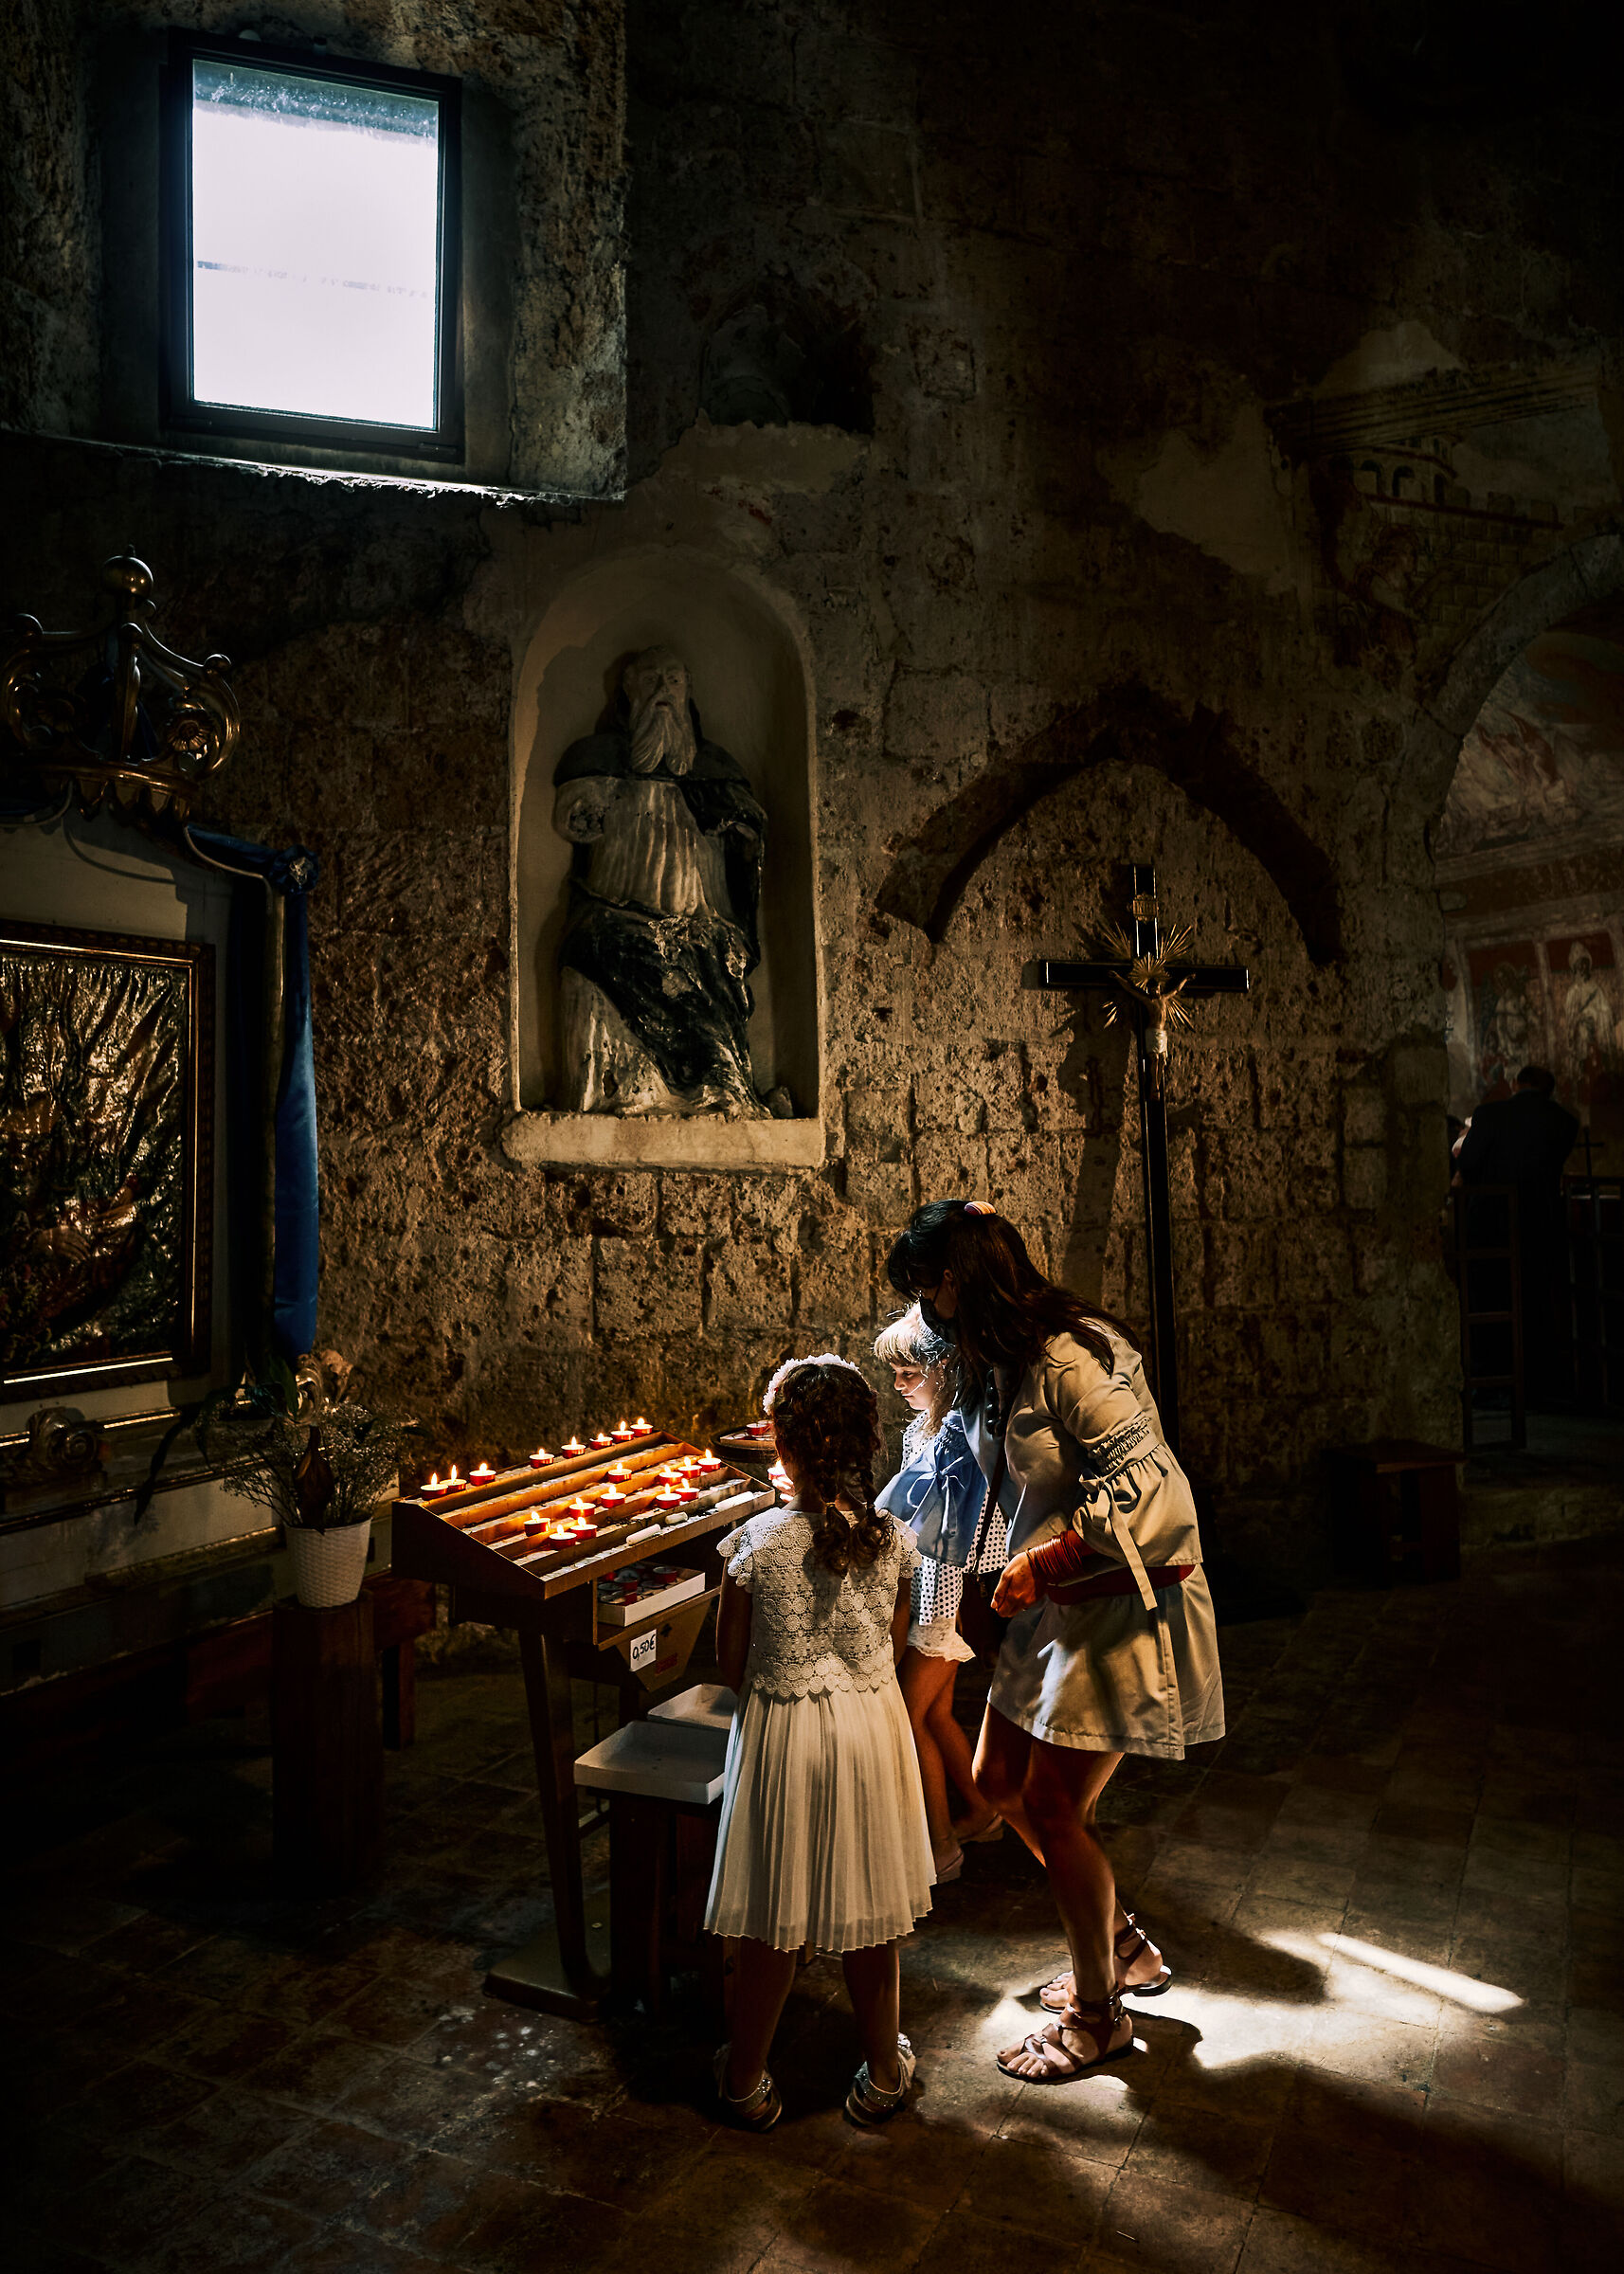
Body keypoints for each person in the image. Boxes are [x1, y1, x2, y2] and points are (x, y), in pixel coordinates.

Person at [886, 1199, 1224, 2084]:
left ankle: (1099, 2017)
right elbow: (963, 1471)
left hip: (1117, 1606)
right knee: (998, 1784)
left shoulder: (1072, 1358)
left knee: (1057, 1809)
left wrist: (1052, 1559)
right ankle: (1122, 1946)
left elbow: (1160, 1497)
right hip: (1054, 1605)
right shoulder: (995, 1360)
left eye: (925, 1289)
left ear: (954, 1282)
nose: (921, 1310)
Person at [705, 1354, 935, 2132]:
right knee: (873, 1912)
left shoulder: (758, 1542)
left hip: (786, 1732)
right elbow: (898, 1647)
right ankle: (879, 2076)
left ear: (784, 1446)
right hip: (872, 1730)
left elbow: (729, 1664)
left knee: (772, 1914)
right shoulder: (895, 1541)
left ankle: (744, 2082)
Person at [552, 646, 770, 1117]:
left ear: (688, 692)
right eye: (650, 681)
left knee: (715, 962)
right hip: (617, 910)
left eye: (672, 682)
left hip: (701, 923)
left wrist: (740, 828)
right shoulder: (601, 760)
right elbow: (573, 819)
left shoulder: (716, 771)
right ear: (628, 691)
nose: (662, 693)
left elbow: (749, 835)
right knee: (601, 946)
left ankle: (719, 1088)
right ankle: (638, 1088)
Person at [873, 1308, 1003, 1881]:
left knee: (906, 1715)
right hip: (935, 1588)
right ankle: (980, 1811)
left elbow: (920, 1513)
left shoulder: (960, 1434)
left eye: (908, 1373)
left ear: (943, 1366)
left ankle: (941, 1843)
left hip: (948, 1594)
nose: (898, 1386)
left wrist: (854, 1520)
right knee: (937, 1713)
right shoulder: (923, 1427)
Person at [1454, 1063, 1579, 1396]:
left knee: (1491, 1299)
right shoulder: (1565, 1122)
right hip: (1542, 1220)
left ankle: (1493, 1380)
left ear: (1515, 1083)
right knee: (1536, 1298)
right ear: (1549, 1090)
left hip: (1492, 1221)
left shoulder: (1490, 1115)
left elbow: (1467, 1163)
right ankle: (1539, 1381)